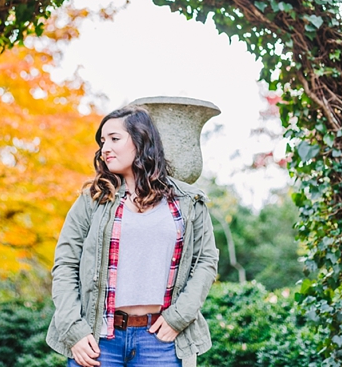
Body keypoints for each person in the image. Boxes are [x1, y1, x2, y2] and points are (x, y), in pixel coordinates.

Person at [46, 105, 219, 367]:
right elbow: (65, 265)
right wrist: (74, 331)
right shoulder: (91, 200)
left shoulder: (188, 202)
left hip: (160, 340)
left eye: (115, 139)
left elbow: (205, 262)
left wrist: (178, 318)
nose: (105, 148)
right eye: (103, 141)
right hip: (98, 340)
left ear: (141, 141)